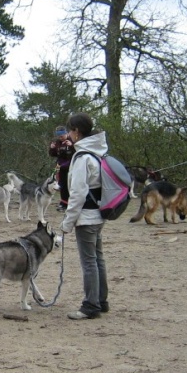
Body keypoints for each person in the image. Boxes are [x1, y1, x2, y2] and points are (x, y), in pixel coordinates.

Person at [59, 113, 108, 320]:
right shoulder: (97, 153)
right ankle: (101, 300)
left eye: (70, 130)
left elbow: (77, 194)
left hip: (86, 217)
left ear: (77, 131)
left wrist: (67, 222)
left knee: (89, 262)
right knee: (97, 259)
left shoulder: (82, 157)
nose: (68, 135)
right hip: (99, 214)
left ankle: (90, 305)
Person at [49, 125, 76, 212]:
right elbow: (53, 154)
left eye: (62, 136)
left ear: (66, 133)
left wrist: (72, 146)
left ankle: (72, 203)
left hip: (71, 166)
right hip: (60, 166)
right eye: (59, 136)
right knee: (61, 184)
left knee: (71, 185)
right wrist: (52, 149)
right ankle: (64, 203)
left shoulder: (73, 140)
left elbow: (78, 153)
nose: (60, 138)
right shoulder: (57, 142)